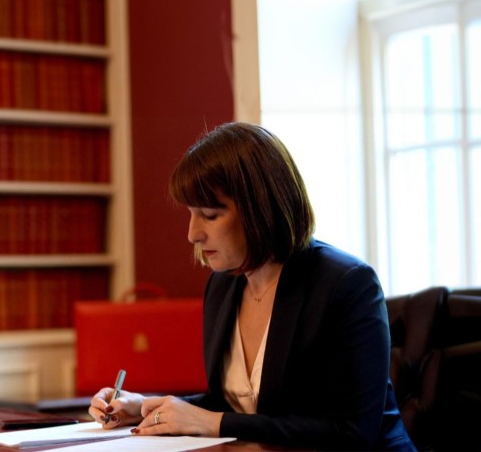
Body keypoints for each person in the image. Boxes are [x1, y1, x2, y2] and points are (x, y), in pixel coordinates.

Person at [89, 122, 416, 451]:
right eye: (191, 213)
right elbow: (237, 403)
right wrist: (149, 409)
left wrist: (212, 422)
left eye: (210, 215)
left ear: (262, 209)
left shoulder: (346, 284)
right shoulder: (222, 285)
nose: (193, 234)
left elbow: (352, 431)